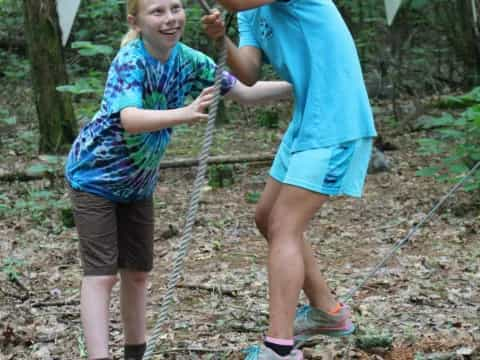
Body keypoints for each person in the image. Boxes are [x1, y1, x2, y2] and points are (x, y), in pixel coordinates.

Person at [64, 0, 292, 359]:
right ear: (135, 21)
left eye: (176, 8)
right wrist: (184, 113)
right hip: (93, 177)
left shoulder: (190, 60)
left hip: (138, 184)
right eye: (157, 11)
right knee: (102, 274)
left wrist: (300, 85)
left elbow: (246, 93)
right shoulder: (130, 59)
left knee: (137, 273)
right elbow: (129, 117)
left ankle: (135, 354)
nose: (170, 19)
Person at [202, 1, 377, 359]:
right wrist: (222, 40)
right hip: (307, 122)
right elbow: (249, 71)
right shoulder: (251, 11)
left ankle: (278, 349)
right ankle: (326, 313)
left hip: (336, 119)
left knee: (284, 225)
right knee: (267, 218)